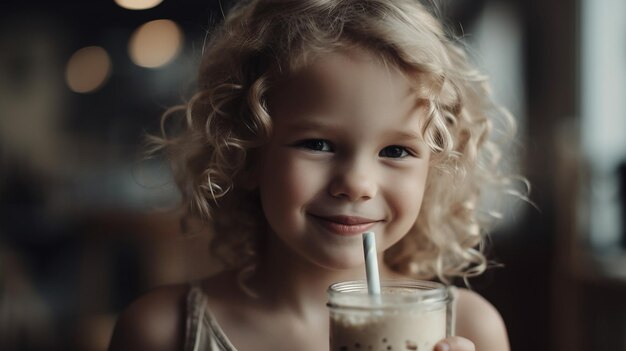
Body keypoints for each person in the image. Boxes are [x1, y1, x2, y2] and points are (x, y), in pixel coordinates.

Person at [109, 0, 525, 350]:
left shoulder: (469, 330)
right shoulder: (162, 331)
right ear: (247, 153)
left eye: (396, 151)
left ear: (432, 169)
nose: (358, 183)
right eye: (318, 144)